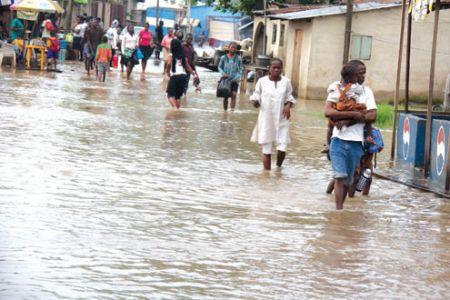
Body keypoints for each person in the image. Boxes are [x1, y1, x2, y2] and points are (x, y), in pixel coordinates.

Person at [324, 60, 377, 210]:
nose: (363, 76)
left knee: (352, 178)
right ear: (352, 75)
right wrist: (355, 114)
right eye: (361, 73)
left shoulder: (367, 92)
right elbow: (328, 112)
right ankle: (338, 212)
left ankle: (349, 202)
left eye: (364, 72)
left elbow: (372, 116)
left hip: (357, 143)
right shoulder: (337, 89)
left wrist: (347, 120)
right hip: (338, 141)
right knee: (339, 176)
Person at [250, 58, 295, 170]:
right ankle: (267, 177)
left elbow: (290, 97)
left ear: (281, 69)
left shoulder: (286, 82)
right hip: (267, 118)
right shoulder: (262, 81)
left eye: (278, 68)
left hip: (282, 118)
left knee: (282, 148)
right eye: (273, 67)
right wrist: (255, 102)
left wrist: (288, 105)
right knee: (267, 149)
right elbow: (256, 95)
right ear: (269, 69)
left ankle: (278, 168)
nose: (276, 70)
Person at [165, 38, 198, 109]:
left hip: (175, 76)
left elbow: (168, 64)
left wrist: (167, 72)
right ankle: (178, 110)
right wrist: (194, 74)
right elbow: (187, 66)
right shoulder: (183, 56)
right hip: (183, 77)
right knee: (178, 96)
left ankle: (175, 109)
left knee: (169, 95)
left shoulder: (171, 55)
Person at [218, 42, 243, 111]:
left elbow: (241, 69)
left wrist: (237, 77)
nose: (233, 49)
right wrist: (223, 74)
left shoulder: (238, 58)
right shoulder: (223, 57)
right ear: (229, 48)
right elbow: (219, 67)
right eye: (232, 47)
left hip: (235, 80)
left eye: (235, 48)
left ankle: (232, 111)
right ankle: (225, 111)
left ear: (236, 49)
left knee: (234, 94)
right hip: (225, 79)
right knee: (225, 96)